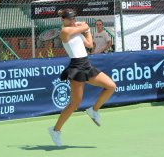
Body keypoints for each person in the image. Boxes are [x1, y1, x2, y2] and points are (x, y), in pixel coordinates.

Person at [48, 9, 116, 146]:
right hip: (76, 67)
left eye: (74, 18)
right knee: (74, 104)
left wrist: (88, 31)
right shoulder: (65, 32)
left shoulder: (75, 30)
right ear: (63, 20)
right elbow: (83, 27)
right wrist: (82, 26)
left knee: (111, 86)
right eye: (70, 19)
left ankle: (94, 110)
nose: (73, 21)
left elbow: (90, 45)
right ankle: (55, 130)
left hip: (87, 65)